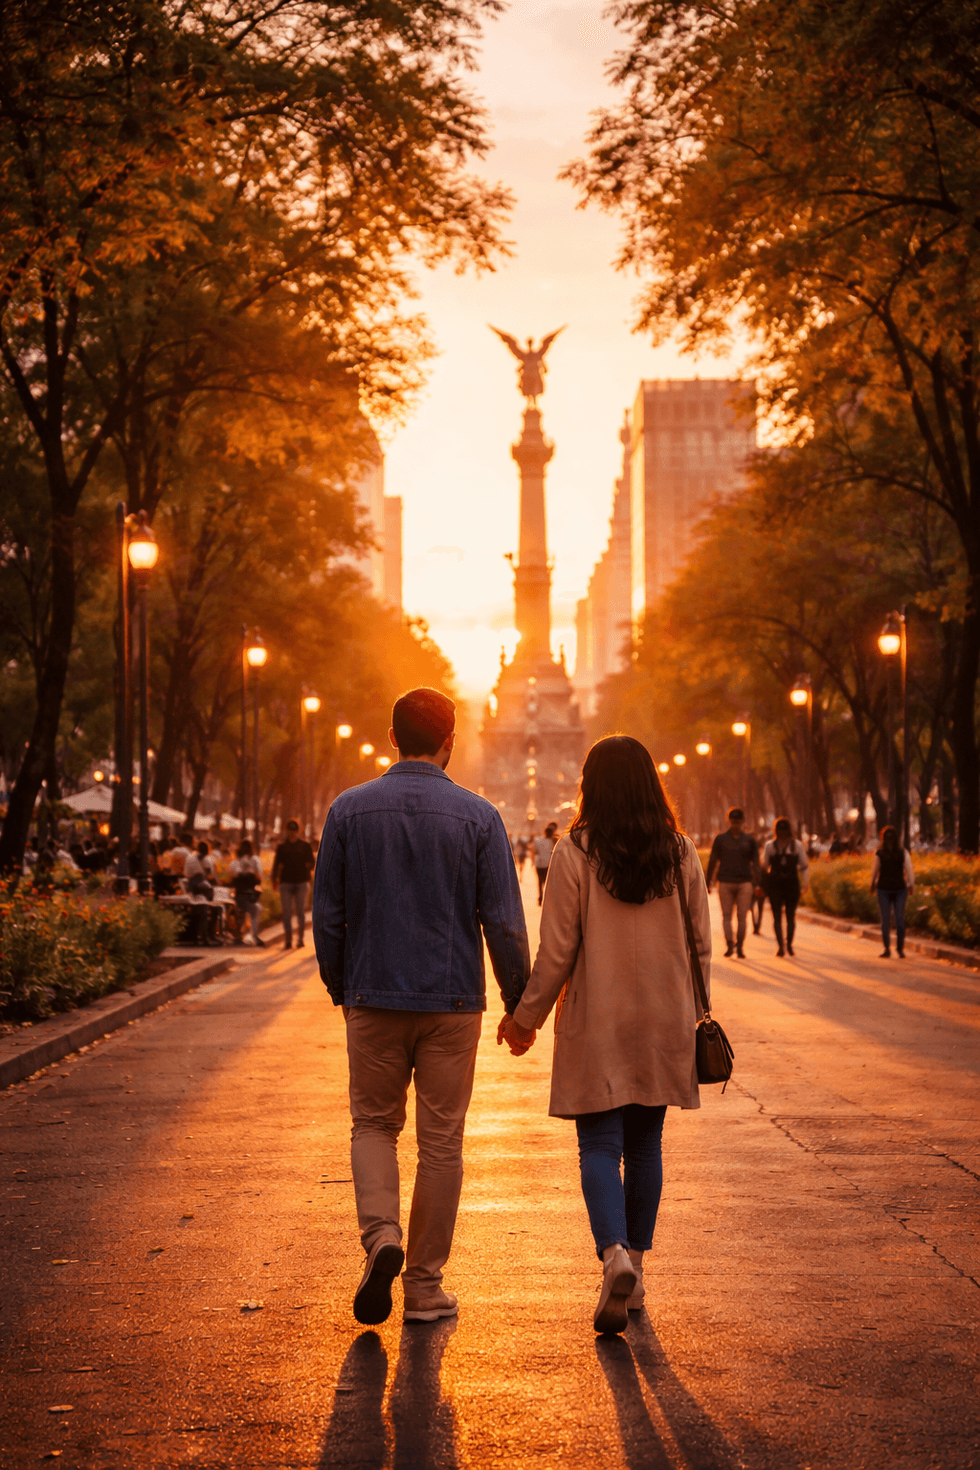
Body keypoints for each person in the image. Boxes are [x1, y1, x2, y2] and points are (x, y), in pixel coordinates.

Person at [313, 686, 529, 1327]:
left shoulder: (347, 812)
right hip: (452, 999)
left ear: (390, 738)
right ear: (451, 740)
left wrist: (343, 990)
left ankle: (382, 1238)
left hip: (373, 994)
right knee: (441, 1144)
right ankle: (424, 1286)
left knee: (374, 1126)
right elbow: (505, 922)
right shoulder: (479, 816)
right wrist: (520, 1006)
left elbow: (328, 917)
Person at [499, 736, 711, 1336]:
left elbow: (557, 951)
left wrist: (525, 1020)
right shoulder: (680, 852)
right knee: (646, 1145)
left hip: (599, 1018)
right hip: (665, 1020)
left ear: (591, 784)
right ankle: (636, 1272)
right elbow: (701, 945)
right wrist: (698, 1010)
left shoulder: (575, 852)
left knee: (598, 1146)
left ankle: (613, 1253)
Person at [706, 807, 760, 957]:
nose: (735, 824)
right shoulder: (720, 839)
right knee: (727, 915)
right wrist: (707, 881)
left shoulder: (750, 840)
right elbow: (712, 861)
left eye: (738, 821)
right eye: (733, 821)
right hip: (725, 882)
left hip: (744, 883)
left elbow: (756, 862)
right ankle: (730, 944)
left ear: (742, 822)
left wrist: (759, 882)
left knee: (742, 917)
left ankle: (740, 946)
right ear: (729, 821)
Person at [761, 818, 809, 957]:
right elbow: (765, 866)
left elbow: (804, 866)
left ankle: (789, 944)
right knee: (776, 917)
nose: (782, 833)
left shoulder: (797, 846)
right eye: (780, 830)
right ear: (776, 831)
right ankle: (780, 946)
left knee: (790, 917)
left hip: (792, 883)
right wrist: (762, 883)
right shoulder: (770, 846)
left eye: (784, 830)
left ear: (789, 831)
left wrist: (805, 884)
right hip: (775, 884)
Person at [871, 825, 915, 958]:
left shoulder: (880, 853)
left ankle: (888, 949)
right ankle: (898, 949)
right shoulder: (903, 852)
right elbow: (909, 870)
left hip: (885, 889)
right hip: (897, 889)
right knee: (898, 919)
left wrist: (872, 884)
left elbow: (875, 871)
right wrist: (910, 884)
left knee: (886, 920)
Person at [273, 819, 315, 949]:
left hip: (301, 882)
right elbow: (276, 864)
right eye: (290, 830)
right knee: (286, 913)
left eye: (294, 830)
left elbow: (312, 863)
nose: (292, 833)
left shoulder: (305, 846)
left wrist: (307, 866)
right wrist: (274, 879)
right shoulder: (282, 847)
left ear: (298, 831)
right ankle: (288, 940)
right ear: (286, 831)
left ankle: (300, 939)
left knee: (300, 912)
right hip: (285, 882)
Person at [230, 839, 265, 946]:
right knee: (256, 908)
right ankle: (253, 936)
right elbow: (259, 875)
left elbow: (232, 877)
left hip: (239, 895)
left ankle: (242, 936)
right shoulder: (254, 860)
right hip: (248, 895)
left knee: (254, 908)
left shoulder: (235, 862)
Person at [532, 822, 557, 905]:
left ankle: (540, 897)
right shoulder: (553, 842)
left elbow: (535, 851)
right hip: (549, 864)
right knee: (547, 882)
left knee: (539, 881)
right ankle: (547, 898)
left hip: (539, 864)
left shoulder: (538, 840)